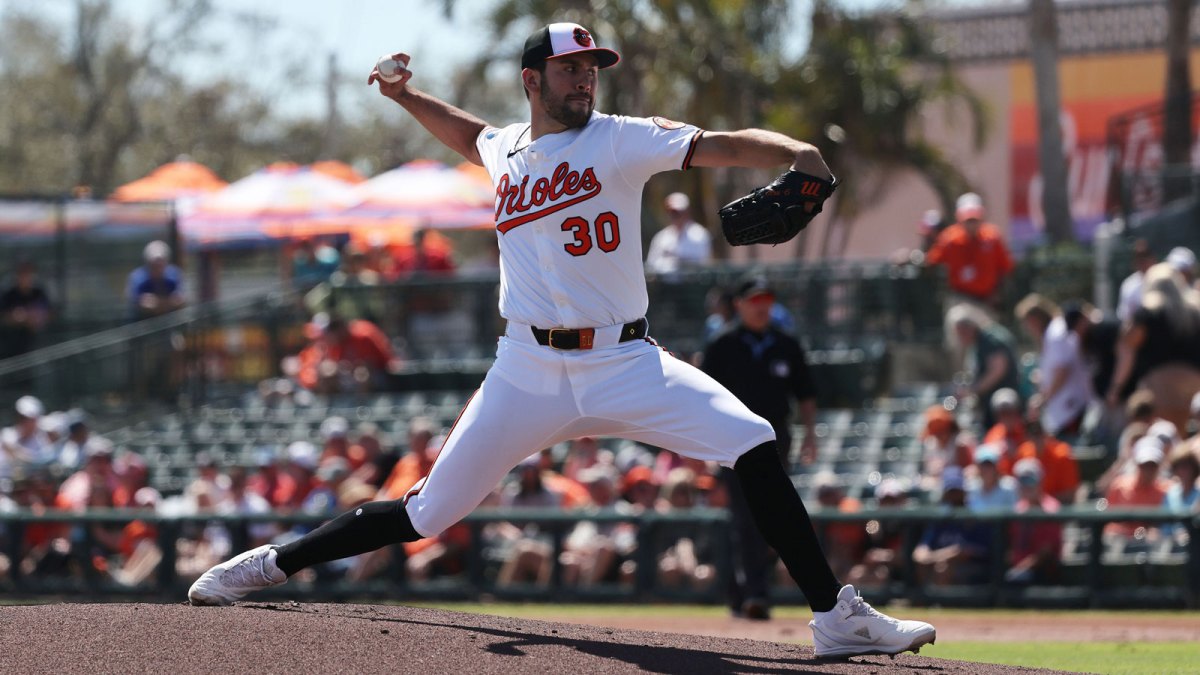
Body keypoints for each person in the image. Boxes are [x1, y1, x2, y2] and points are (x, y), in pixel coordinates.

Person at [187, 22, 935, 658]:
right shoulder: (505, 147)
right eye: (570, 69)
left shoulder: (622, 140)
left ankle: (835, 616)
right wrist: (403, 95)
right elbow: (465, 132)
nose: (585, 81)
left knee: (752, 438)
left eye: (592, 69)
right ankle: (268, 564)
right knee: (425, 513)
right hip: (527, 367)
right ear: (531, 80)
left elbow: (724, 143)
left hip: (624, 359)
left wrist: (796, 151)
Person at [701, 275, 819, 619]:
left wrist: (811, 434)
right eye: (754, 299)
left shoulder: (786, 344)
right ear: (738, 304)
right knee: (745, 517)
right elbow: (703, 395)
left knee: (773, 515)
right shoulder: (722, 344)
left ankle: (747, 591)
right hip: (730, 437)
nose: (761, 305)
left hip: (775, 436)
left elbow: (805, 395)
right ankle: (754, 592)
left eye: (766, 299)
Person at [1107, 263, 1200, 431]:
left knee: (1160, 435)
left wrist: (1116, 387)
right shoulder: (1194, 310)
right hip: (1194, 382)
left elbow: (1127, 350)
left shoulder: (1147, 312)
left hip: (1159, 382)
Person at [1015, 294, 1092, 439]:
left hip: (1070, 406)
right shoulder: (1052, 332)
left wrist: (1043, 399)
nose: (1027, 328)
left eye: (1027, 323)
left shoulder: (1055, 333)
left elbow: (1062, 371)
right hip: (1064, 406)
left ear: (1035, 319)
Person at [924, 192, 1014, 308]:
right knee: (960, 320)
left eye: (974, 220)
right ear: (960, 219)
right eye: (968, 220)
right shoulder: (949, 239)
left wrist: (999, 293)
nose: (971, 225)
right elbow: (932, 261)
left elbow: (1006, 268)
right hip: (960, 297)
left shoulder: (992, 238)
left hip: (987, 299)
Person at [945, 303, 1020, 429]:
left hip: (1004, 407)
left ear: (968, 328)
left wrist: (973, 389)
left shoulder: (990, 339)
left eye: (960, 333)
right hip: (989, 406)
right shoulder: (978, 343)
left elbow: (998, 369)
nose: (959, 338)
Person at [1006, 458, 1063, 585]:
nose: (1026, 486)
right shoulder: (1018, 508)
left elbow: (1046, 552)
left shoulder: (1051, 508)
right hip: (1018, 568)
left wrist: (1021, 568)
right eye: (1022, 481)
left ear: (1040, 482)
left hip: (1044, 571)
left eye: (1030, 480)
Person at [644, 192, 712, 276]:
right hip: (665, 286)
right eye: (672, 213)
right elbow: (651, 265)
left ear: (687, 212)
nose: (675, 216)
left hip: (691, 286)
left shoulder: (700, 235)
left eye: (678, 213)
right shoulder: (661, 238)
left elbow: (702, 265)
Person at [0, 260, 51, 358]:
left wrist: (37, 317)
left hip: (37, 345)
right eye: (22, 273)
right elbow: (3, 317)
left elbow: (50, 313)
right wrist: (17, 318)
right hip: (11, 345)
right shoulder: (9, 295)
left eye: (28, 273)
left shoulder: (39, 293)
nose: (25, 277)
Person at [125, 240, 185, 320]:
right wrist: (165, 302)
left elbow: (180, 299)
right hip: (143, 322)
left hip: (170, 321)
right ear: (147, 263)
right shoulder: (137, 278)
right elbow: (137, 302)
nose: (158, 268)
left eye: (161, 264)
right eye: (154, 265)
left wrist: (158, 303)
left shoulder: (174, 274)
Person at [1116, 239, 1155, 323]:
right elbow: (1125, 317)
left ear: (1152, 258)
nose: (1142, 262)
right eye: (1139, 257)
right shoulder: (1129, 285)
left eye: (1145, 256)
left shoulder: (1164, 279)